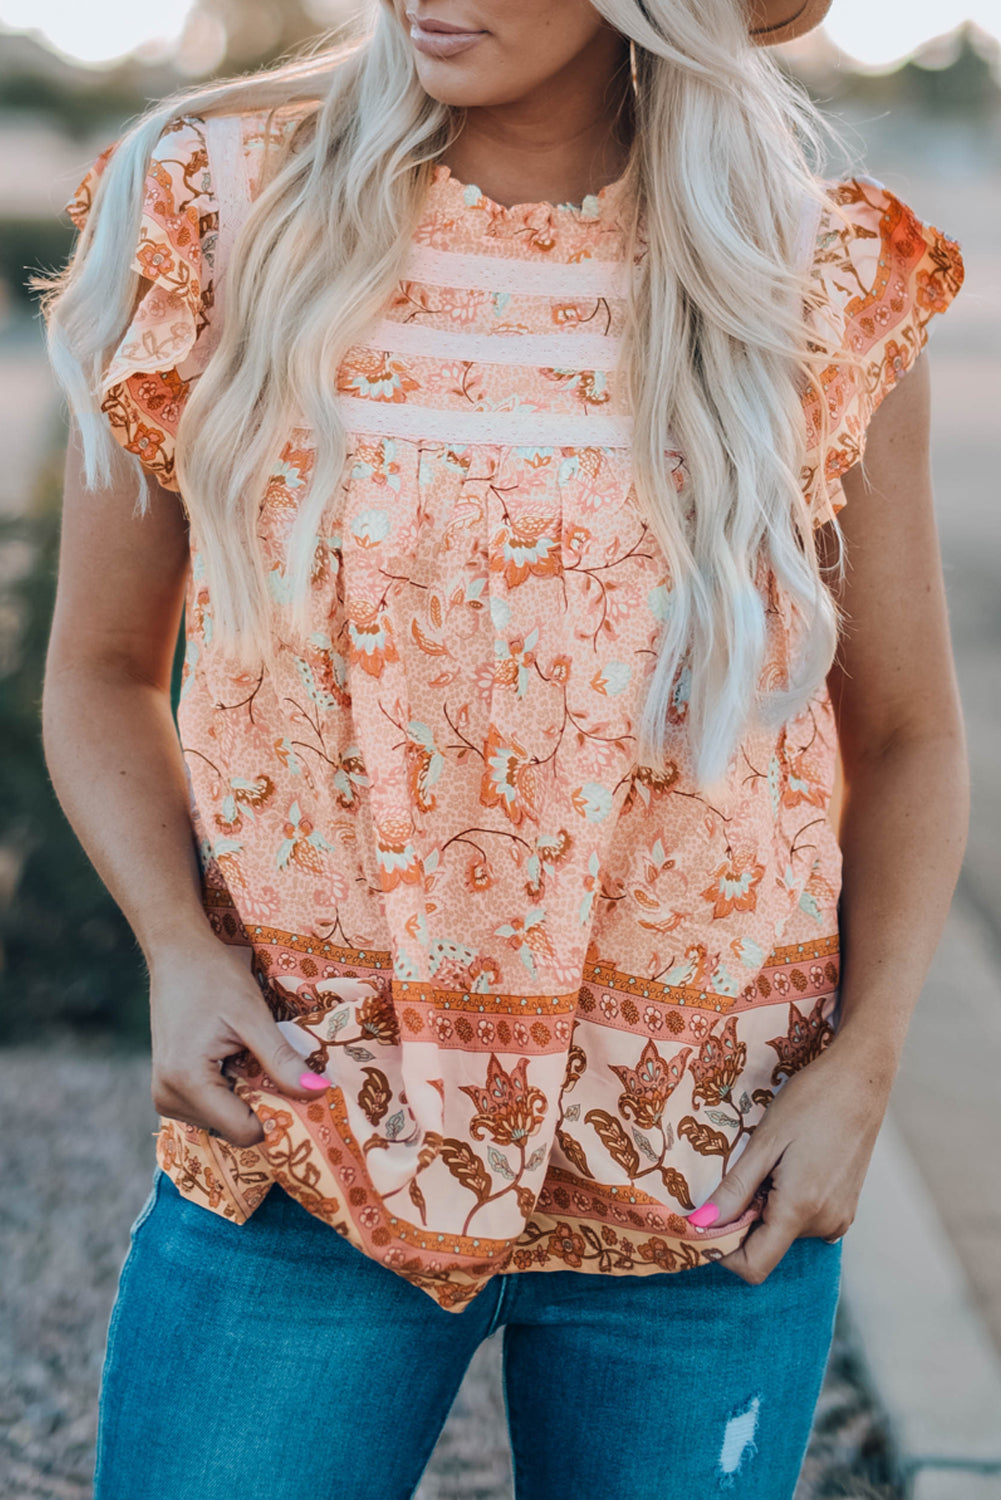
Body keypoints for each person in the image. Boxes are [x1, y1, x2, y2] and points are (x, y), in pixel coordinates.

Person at [38, 0, 968, 1495]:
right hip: (312, 1131)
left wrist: (862, 1069)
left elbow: (911, 734)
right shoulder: (211, 201)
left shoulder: (820, 275)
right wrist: (175, 945)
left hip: (707, 1165)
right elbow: (96, 668)